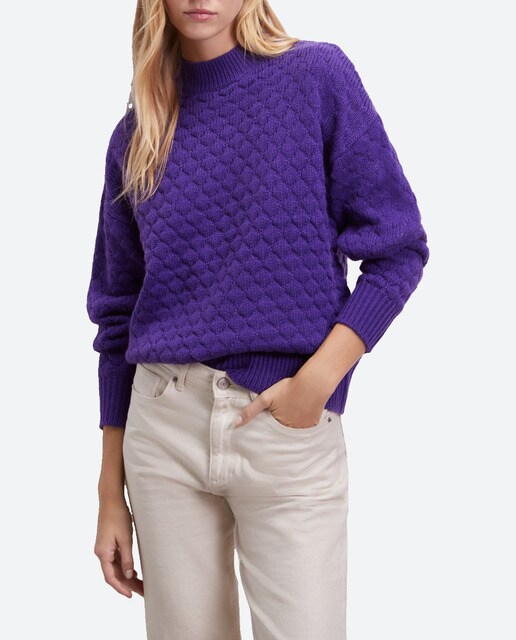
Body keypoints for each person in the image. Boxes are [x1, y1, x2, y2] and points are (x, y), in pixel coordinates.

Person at [86, 1, 430, 638]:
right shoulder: (137, 133)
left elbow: (398, 248)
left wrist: (317, 383)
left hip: (286, 425)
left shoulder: (315, 78)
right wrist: (111, 490)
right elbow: (115, 317)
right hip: (162, 432)